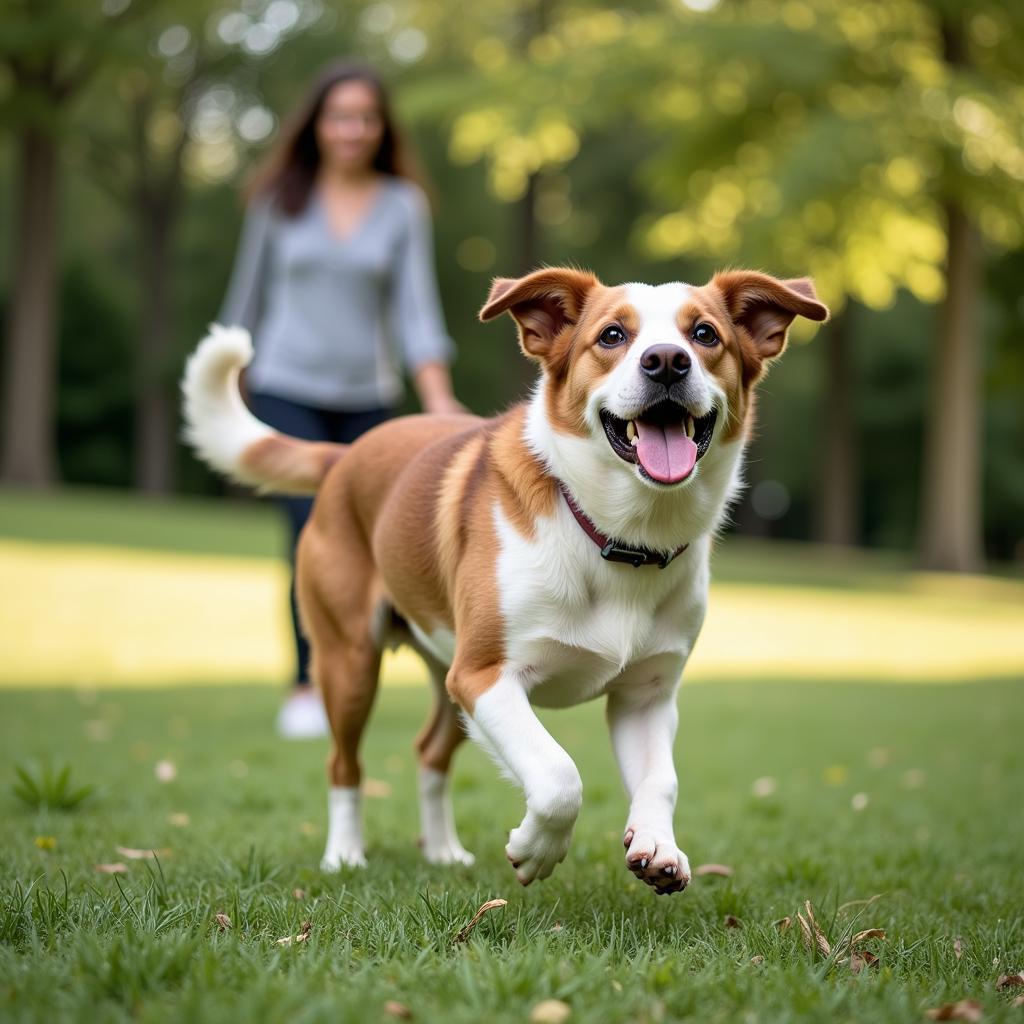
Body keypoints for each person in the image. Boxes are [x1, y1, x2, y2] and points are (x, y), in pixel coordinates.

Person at [218, 60, 463, 739]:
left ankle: (378, 674)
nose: (352, 129)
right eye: (339, 116)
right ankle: (305, 683)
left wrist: (437, 397)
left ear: (381, 128)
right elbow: (246, 297)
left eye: (365, 116)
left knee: (379, 545)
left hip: (367, 398)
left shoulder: (402, 206)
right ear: (316, 125)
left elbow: (417, 311)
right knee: (308, 533)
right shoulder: (279, 198)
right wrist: (226, 384)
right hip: (285, 385)